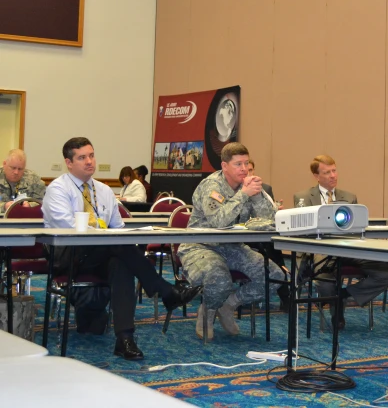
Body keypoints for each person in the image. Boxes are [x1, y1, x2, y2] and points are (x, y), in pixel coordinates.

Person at [42, 137, 201, 360]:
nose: (89, 161)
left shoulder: (104, 190)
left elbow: (118, 227)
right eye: (82, 158)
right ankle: (166, 291)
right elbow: (68, 228)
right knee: (116, 245)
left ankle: (124, 339)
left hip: (103, 254)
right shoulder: (58, 189)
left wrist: (110, 233)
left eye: (91, 155)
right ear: (69, 163)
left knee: (121, 263)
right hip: (70, 255)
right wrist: (103, 231)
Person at [179, 142, 284, 340]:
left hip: (233, 247)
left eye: (246, 163)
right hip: (200, 246)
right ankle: (208, 312)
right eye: (238, 164)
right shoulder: (212, 186)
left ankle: (228, 305)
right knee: (218, 277)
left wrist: (256, 196)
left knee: (275, 276)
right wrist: (243, 195)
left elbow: (269, 219)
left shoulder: (249, 186)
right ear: (224, 166)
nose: (244, 169)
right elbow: (218, 221)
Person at [293, 155, 388, 330]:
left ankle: (343, 296)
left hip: (350, 248)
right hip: (322, 249)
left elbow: (357, 226)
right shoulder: (303, 197)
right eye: (327, 172)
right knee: (325, 283)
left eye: (334, 170)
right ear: (316, 176)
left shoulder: (349, 197)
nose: (333, 175)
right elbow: (304, 229)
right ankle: (336, 310)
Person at [246, 158, 291, 312]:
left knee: (272, 246)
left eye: (251, 170)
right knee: (271, 250)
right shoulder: (233, 190)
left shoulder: (265, 189)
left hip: (263, 234)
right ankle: (286, 295)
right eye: (245, 169)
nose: (248, 173)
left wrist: (277, 212)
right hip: (243, 238)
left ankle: (285, 294)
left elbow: (269, 217)